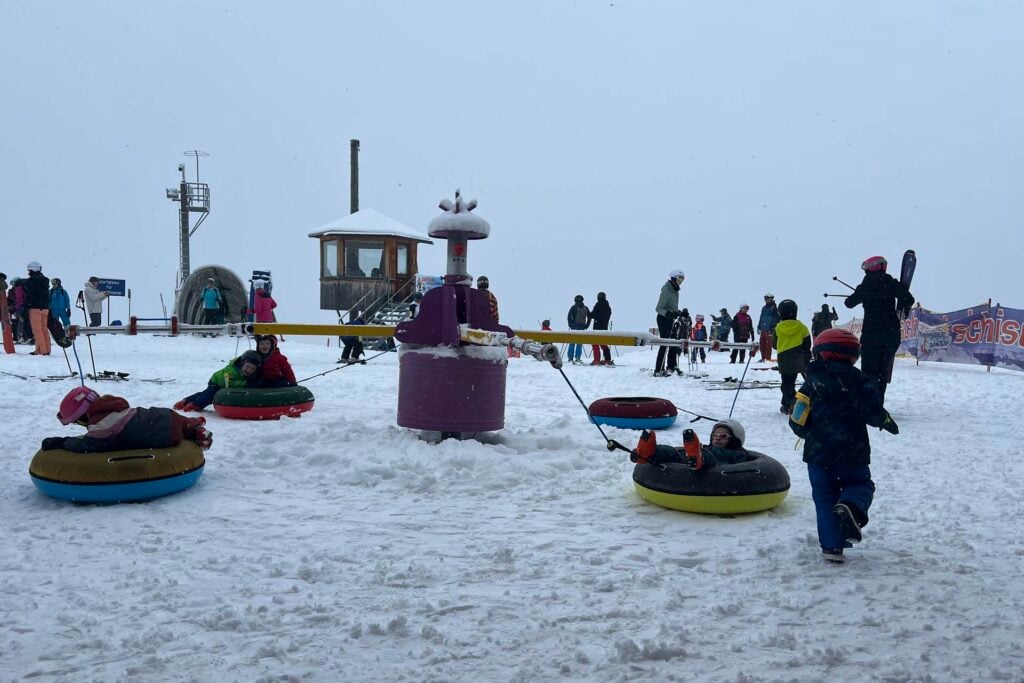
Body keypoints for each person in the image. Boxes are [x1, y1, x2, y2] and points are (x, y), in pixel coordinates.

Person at [788, 327, 899, 563]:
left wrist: (805, 431)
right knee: (860, 484)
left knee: (824, 496)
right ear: (854, 355)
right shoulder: (861, 382)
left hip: (818, 454)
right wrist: (886, 421)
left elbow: (797, 418)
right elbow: (873, 412)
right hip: (853, 450)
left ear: (819, 353)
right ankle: (850, 504)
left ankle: (832, 546)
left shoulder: (811, 383)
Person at [41, 386, 213, 453]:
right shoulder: (112, 406)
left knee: (161, 431)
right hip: (160, 415)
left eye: (78, 422)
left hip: (162, 434)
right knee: (175, 421)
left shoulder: (102, 425)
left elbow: (90, 445)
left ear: (85, 415)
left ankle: (189, 430)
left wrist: (62, 443)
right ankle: (193, 427)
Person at [844, 256, 914, 403]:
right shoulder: (890, 283)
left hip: (871, 335)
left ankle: (868, 404)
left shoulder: (864, 287)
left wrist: (862, 294)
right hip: (891, 333)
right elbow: (909, 299)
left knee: (869, 372)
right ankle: (878, 405)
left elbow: (848, 303)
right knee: (883, 372)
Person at [630, 419, 754, 471]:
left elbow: (740, 468)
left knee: (707, 457)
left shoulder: (737, 453)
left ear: (735, 440)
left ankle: (698, 458)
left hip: (713, 467)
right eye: (715, 435)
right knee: (674, 452)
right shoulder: (709, 447)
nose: (717, 438)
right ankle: (649, 453)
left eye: (723, 436)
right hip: (691, 461)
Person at [174, 350, 263, 412]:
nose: (248, 370)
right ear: (242, 363)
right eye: (247, 366)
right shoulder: (232, 371)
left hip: (222, 384)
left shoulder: (247, 374)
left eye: (252, 369)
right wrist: (244, 383)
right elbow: (230, 385)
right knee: (209, 397)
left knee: (204, 393)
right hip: (216, 382)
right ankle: (194, 406)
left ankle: (185, 401)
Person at [772, 299, 812, 414]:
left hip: (784, 360)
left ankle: (790, 402)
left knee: (787, 383)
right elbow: (807, 344)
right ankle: (789, 403)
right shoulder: (802, 327)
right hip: (799, 358)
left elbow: (774, 345)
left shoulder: (778, 328)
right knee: (807, 381)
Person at [654, 270, 685, 376]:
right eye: (679, 278)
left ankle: (671, 367)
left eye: (683, 278)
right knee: (665, 343)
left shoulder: (675, 291)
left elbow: (672, 308)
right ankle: (658, 369)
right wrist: (668, 314)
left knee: (674, 342)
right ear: (673, 278)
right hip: (663, 319)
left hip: (670, 319)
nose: (681, 281)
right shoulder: (667, 290)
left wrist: (680, 313)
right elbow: (659, 308)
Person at [24, 261, 51, 356]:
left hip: (34, 308)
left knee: (37, 330)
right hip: (45, 308)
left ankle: (41, 350)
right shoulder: (45, 280)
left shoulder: (30, 281)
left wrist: (26, 306)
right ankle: (47, 349)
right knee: (44, 329)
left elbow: (29, 295)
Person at [589, 291, 613, 366]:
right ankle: (607, 360)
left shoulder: (598, 305)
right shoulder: (608, 307)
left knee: (595, 344)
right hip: (604, 329)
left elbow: (592, 315)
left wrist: (588, 313)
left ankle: (597, 360)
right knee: (604, 344)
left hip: (597, 328)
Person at [566, 294, 590, 365]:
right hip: (582, 327)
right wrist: (587, 325)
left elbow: (569, 317)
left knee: (572, 343)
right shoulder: (586, 308)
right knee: (579, 343)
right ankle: (578, 358)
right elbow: (589, 317)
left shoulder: (573, 307)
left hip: (574, 328)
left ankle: (570, 358)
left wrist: (570, 324)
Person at [756, 293, 780, 362]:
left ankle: (767, 358)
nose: (766, 300)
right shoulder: (763, 308)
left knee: (768, 345)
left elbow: (777, 319)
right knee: (762, 344)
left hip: (770, 329)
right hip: (763, 328)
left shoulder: (774, 308)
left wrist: (773, 328)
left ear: (771, 299)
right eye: (765, 299)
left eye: (767, 299)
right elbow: (761, 318)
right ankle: (763, 358)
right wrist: (759, 327)